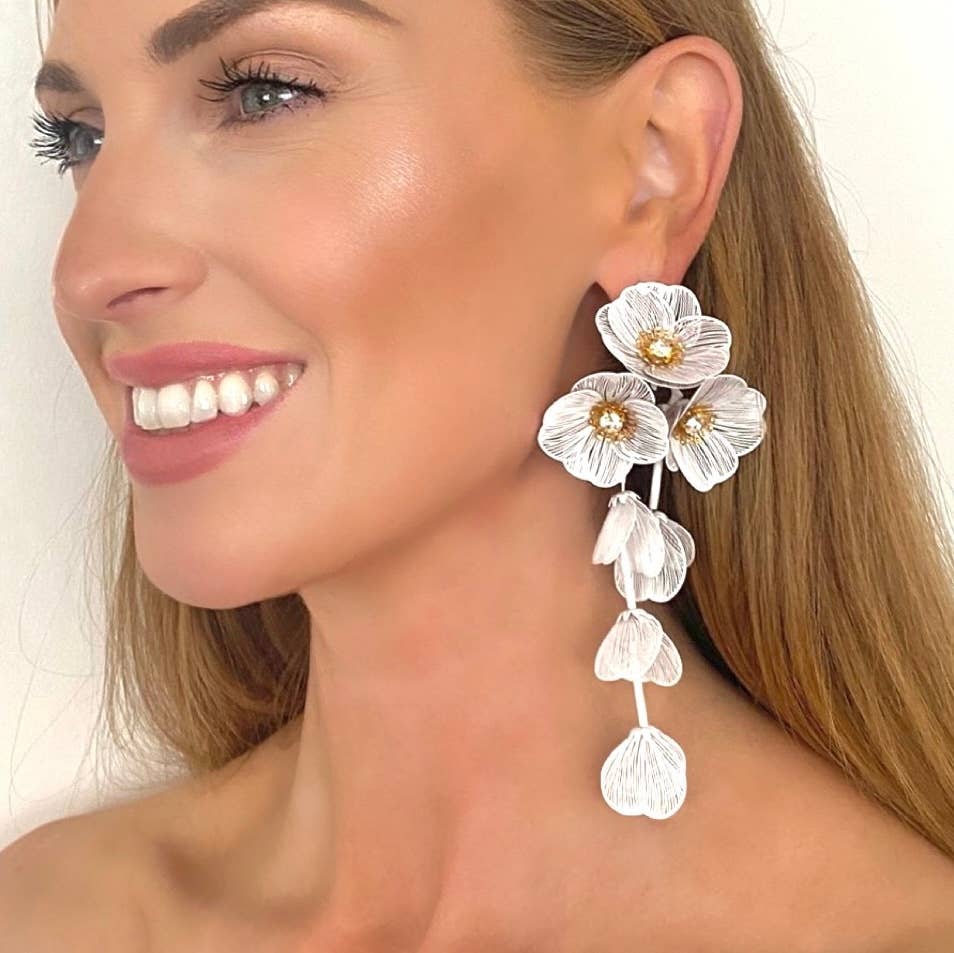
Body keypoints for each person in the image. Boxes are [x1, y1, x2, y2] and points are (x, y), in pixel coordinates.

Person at [3, 0, 953, 949]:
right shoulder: (46, 914)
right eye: (81, 138)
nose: (89, 270)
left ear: (653, 168)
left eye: (265, 94)